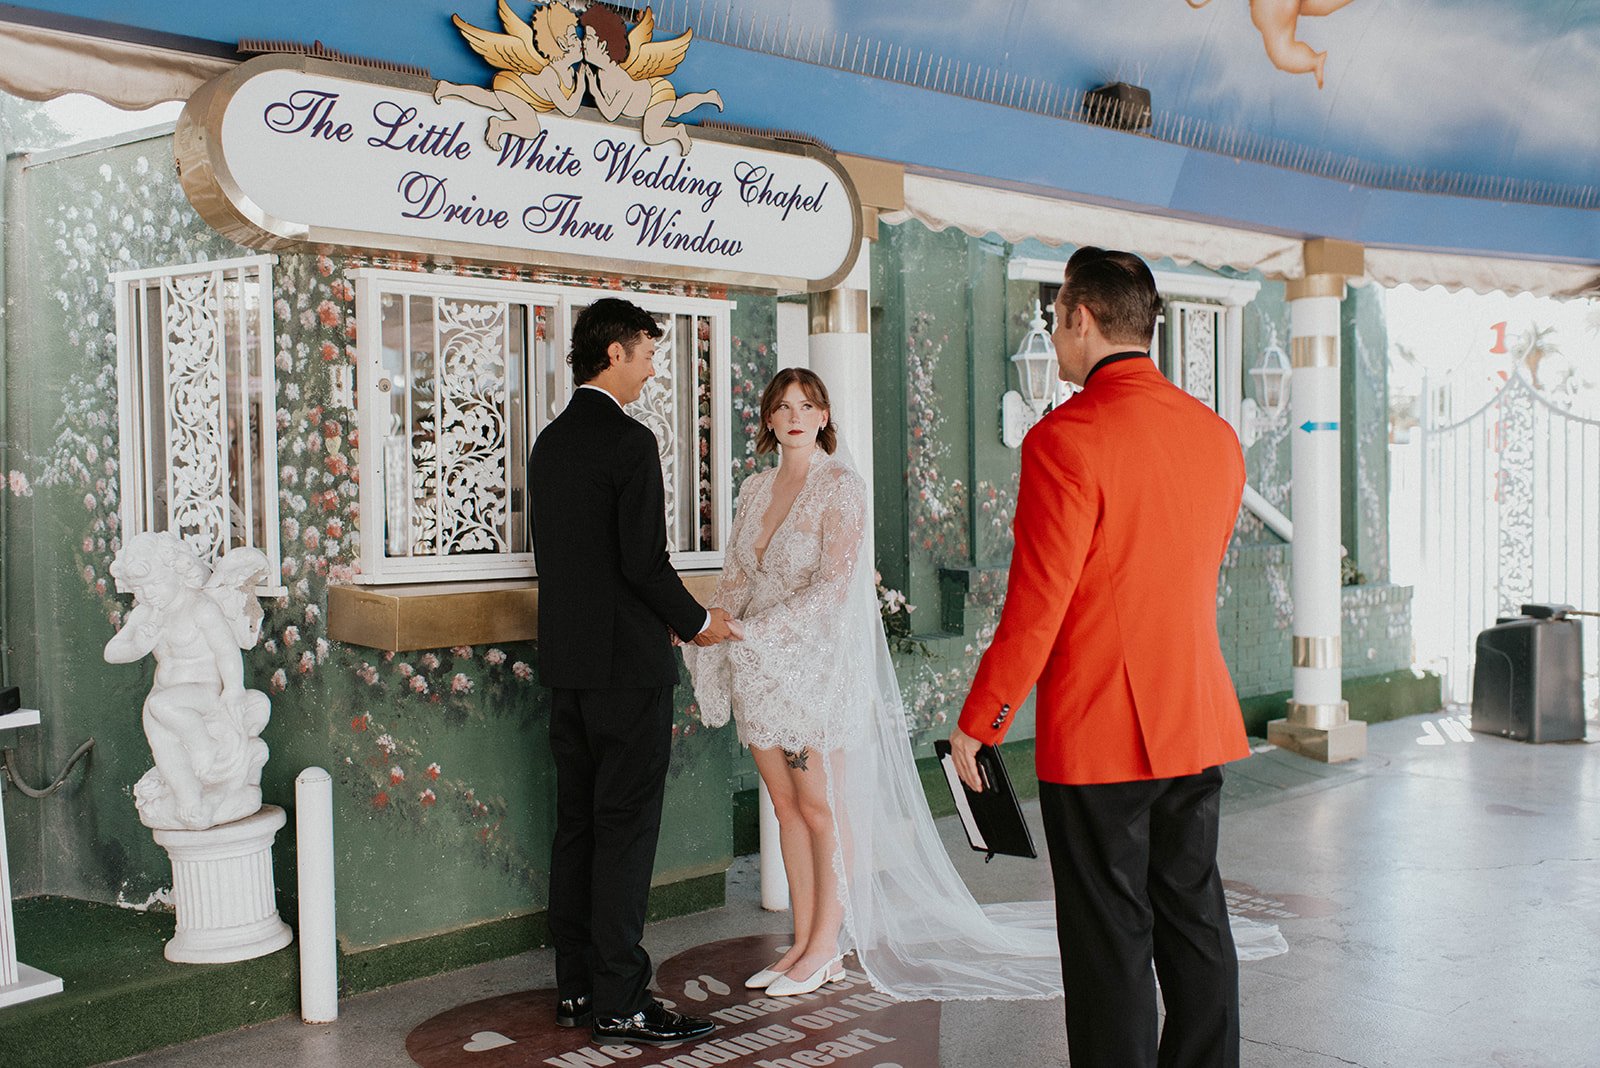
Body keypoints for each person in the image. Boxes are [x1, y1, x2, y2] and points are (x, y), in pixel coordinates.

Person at [949, 246, 1251, 1067]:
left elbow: (1038, 605)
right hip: (1193, 716)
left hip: (1102, 732)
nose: (1056, 337)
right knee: (1194, 919)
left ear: (1080, 318)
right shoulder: (1217, 436)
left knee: (1110, 942)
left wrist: (981, 719)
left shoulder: (1065, 438)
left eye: (1055, 322)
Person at [685, 368, 1065, 1004]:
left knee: (819, 807)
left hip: (810, 668)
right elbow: (735, 577)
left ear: (825, 415)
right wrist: (704, 627)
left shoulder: (842, 489)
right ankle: (803, 943)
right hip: (757, 668)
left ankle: (829, 943)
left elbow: (836, 587)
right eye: (783, 408)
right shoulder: (753, 489)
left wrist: (762, 631)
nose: (796, 416)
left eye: (807, 405)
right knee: (784, 807)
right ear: (769, 422)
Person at [528, 296, 736, 1047]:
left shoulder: (548, 443)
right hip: (627, 670)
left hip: (568, 669)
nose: (651, 371)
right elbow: (644, 565)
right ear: (613, 353)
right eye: (647, 355)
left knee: (578, 824)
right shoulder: (629, 441)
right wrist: (702, 623)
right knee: (623, 831)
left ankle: (578, 990)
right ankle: (621, 998)